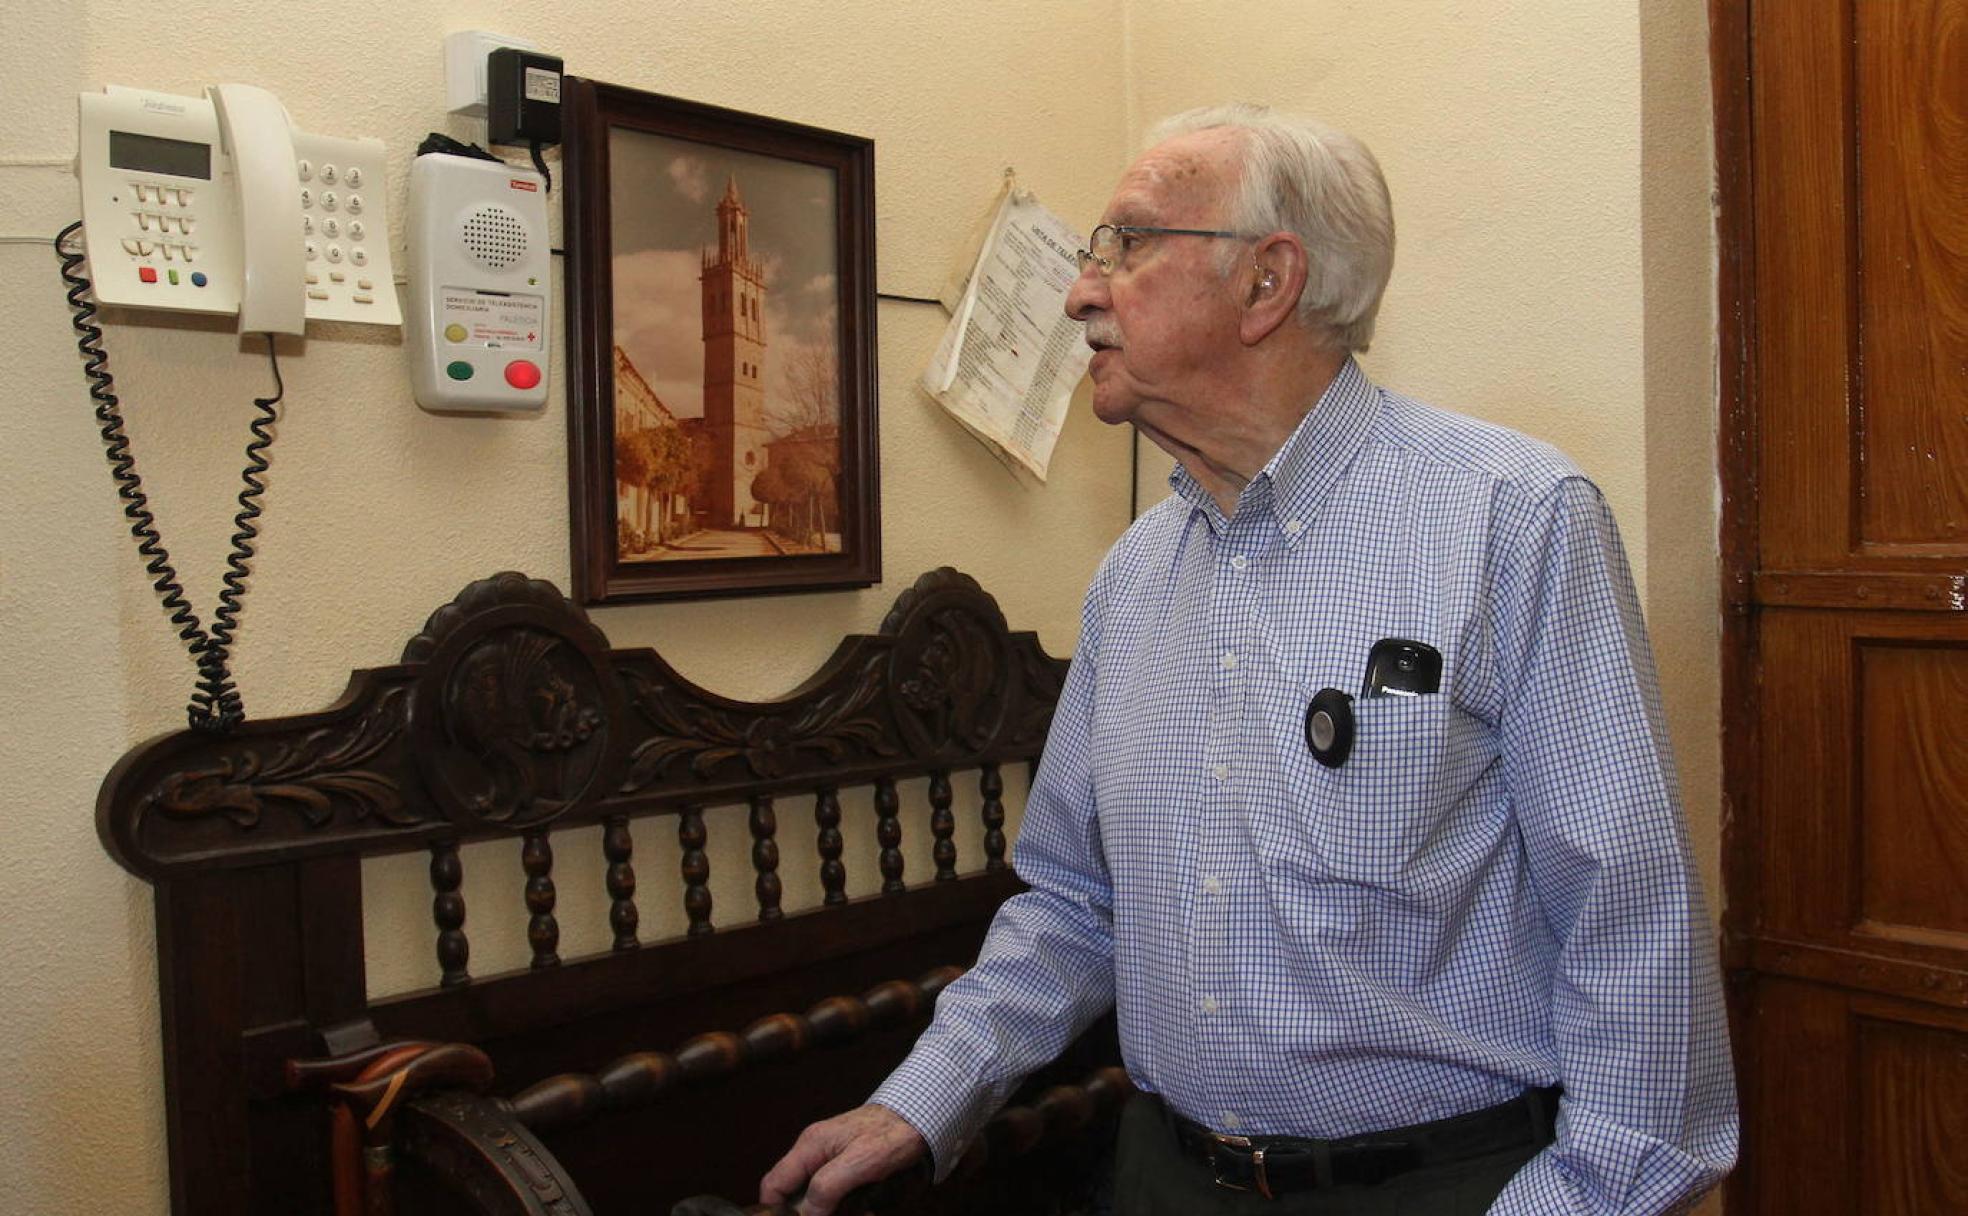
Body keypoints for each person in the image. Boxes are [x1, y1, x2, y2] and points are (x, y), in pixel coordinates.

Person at [761, 102, 1737, 1215]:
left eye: (1126, 244)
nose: (1081, 291)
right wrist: (922, 1099)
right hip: (1163, 1177)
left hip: (1439, 1187)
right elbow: (1076, 900)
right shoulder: (1133, 577)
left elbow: (1632, 929)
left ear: (1267, 282)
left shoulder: (1512, 521)